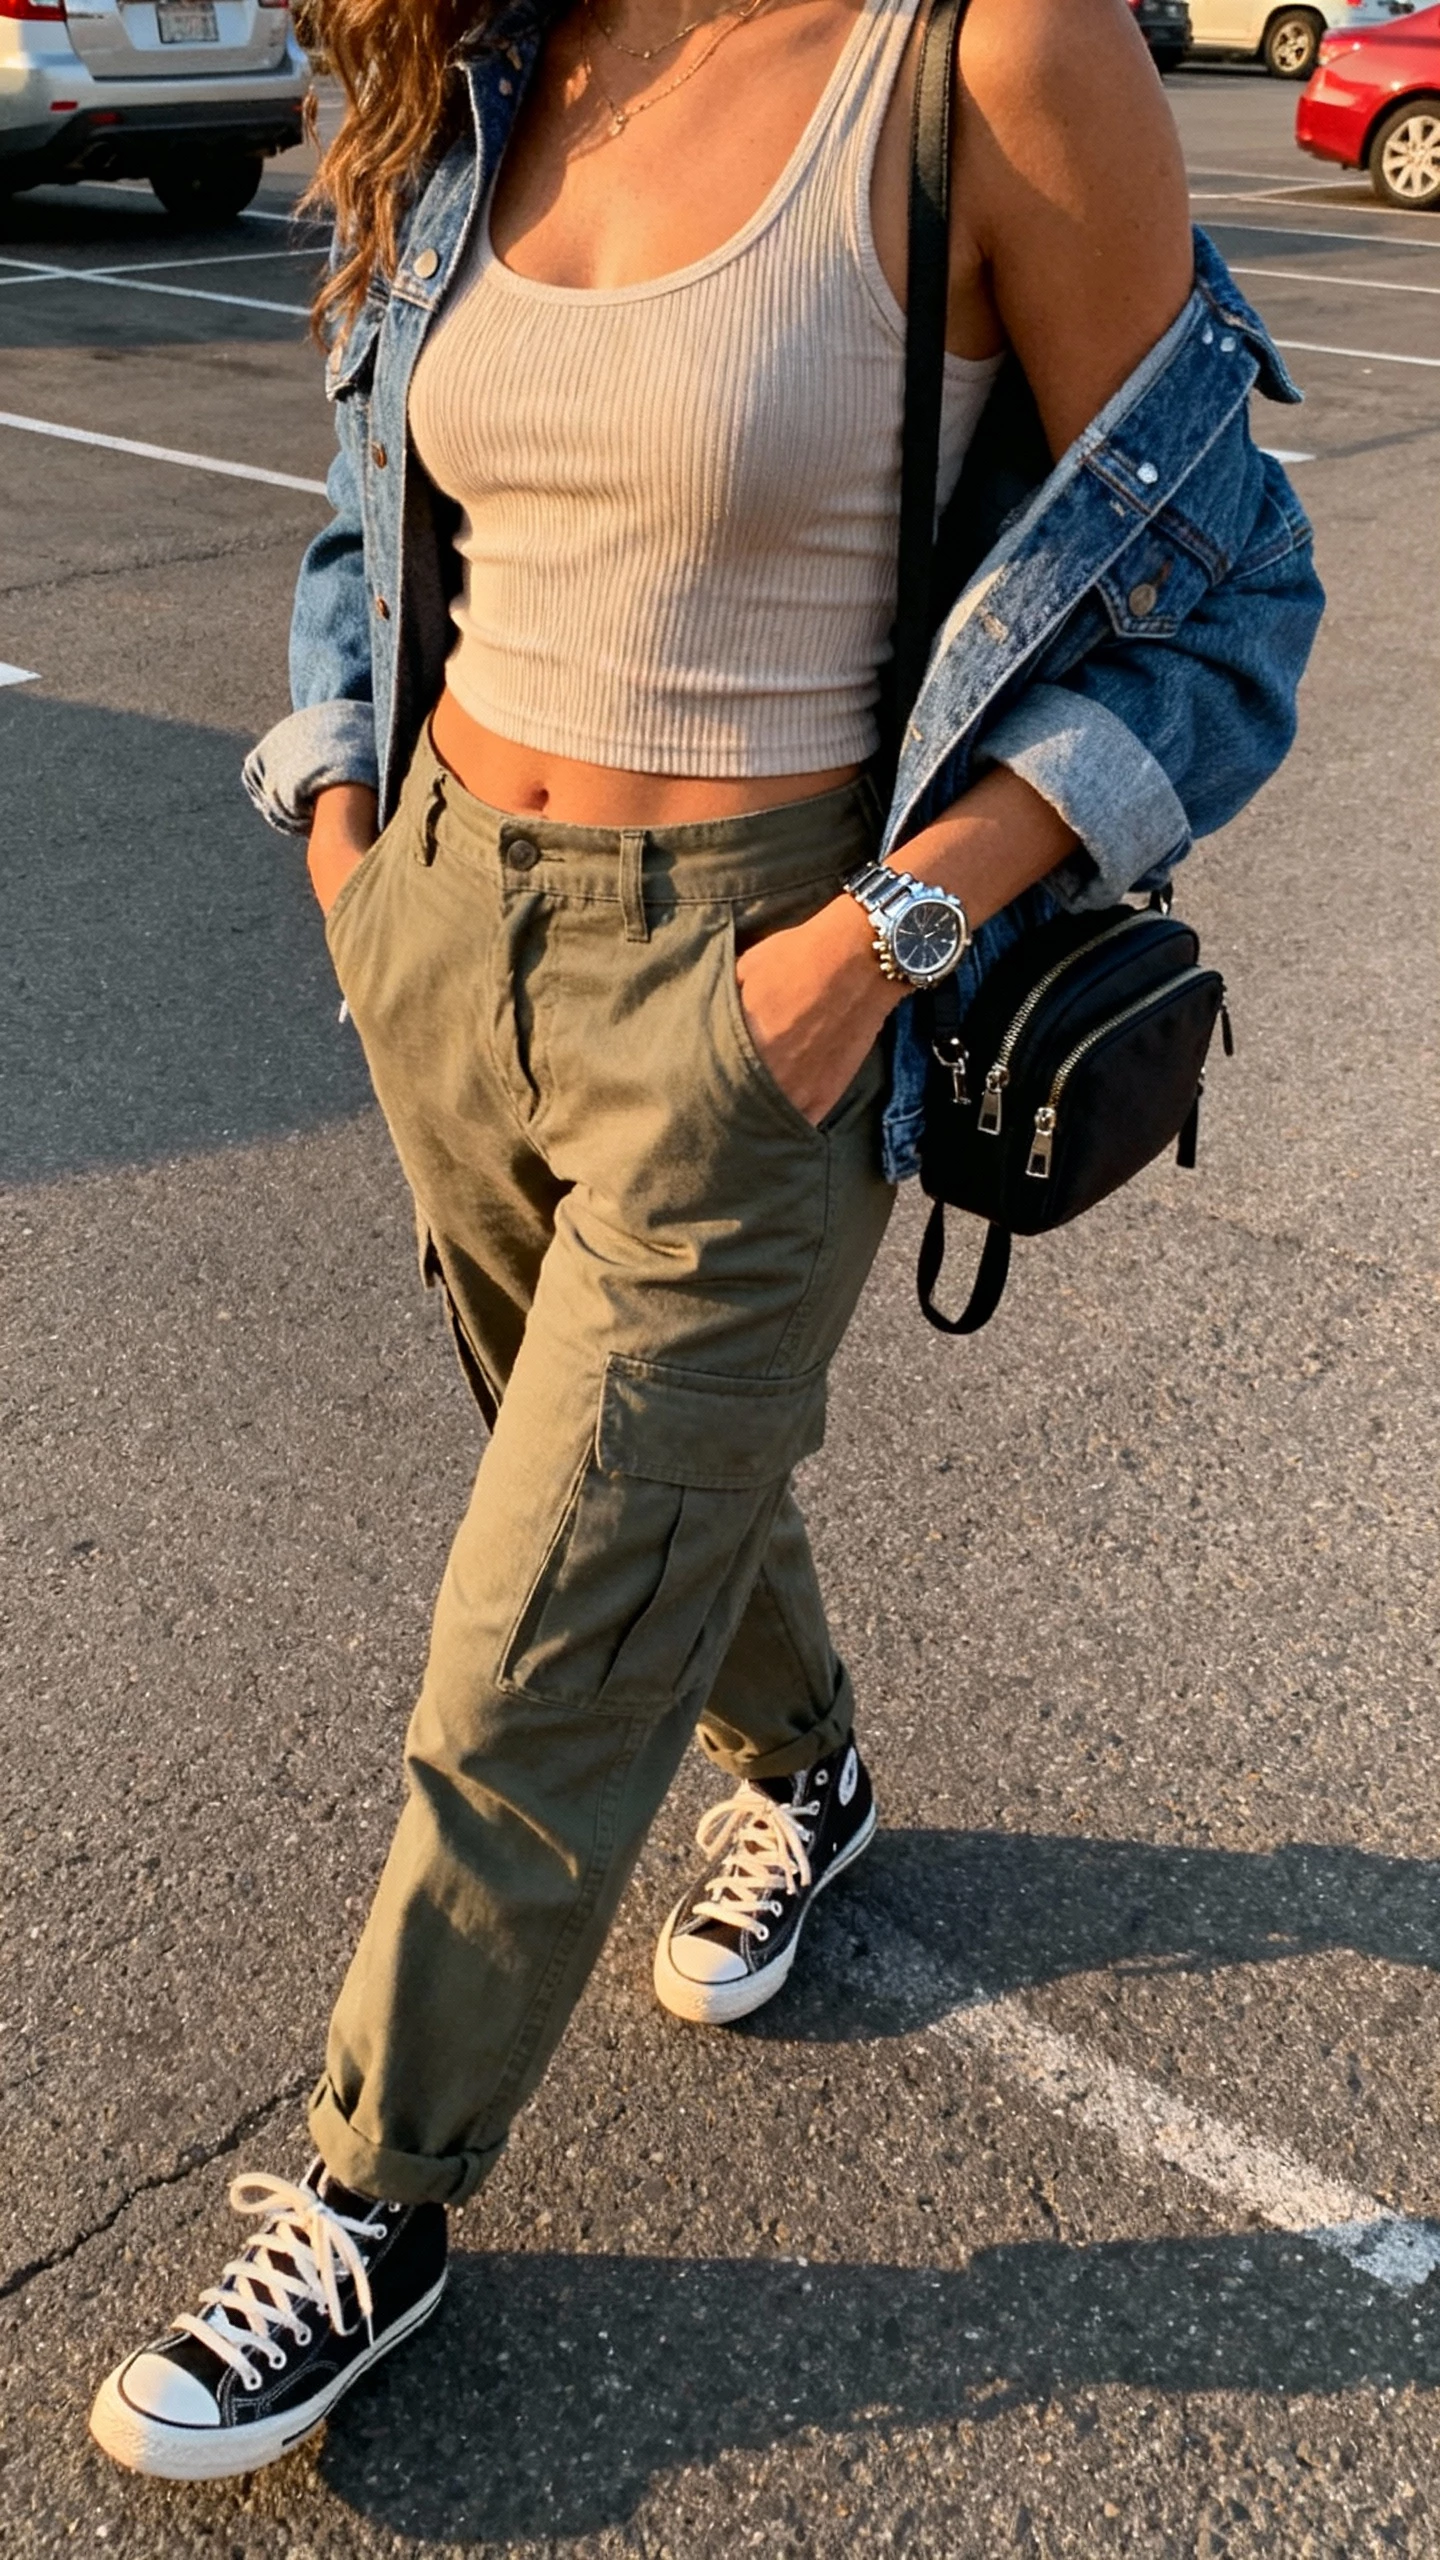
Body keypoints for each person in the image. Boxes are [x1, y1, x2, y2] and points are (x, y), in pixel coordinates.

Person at [89, 0, 1321, 2483]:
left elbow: (1231, 610)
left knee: (537, 1612)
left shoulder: (988, 57)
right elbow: (374, 510)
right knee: (646, 1491)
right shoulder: (490, 46)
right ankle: (815, 1764)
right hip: (445, 928)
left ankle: (370, 2185)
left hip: (767, 967)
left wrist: (886, 933)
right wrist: (350, 839)